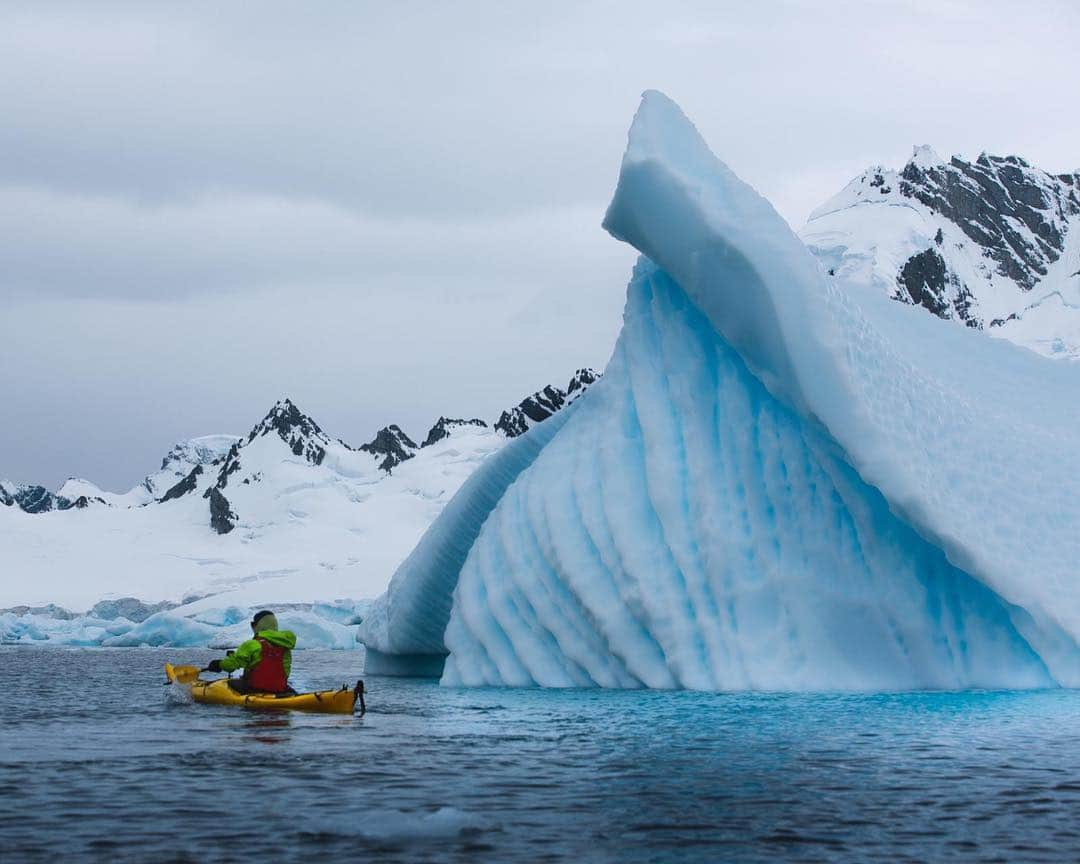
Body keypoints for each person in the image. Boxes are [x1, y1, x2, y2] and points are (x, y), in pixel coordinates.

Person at [208, 610, 297, 694]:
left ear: (258, 625)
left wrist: (219, 664)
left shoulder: (252, 644)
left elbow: (231, 665)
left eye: (253, 624)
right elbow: (286, 670)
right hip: (279, 689)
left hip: (254, 689)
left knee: (226, 683)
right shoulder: (286, 647)